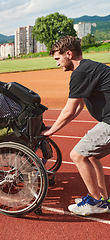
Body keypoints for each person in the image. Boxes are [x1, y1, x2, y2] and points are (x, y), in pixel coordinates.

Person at [42, 35, 110, 216]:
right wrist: (57, 126)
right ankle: (103, 199)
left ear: (69, 54)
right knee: (92, 156)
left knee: (77, 155)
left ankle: (96, 202)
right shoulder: (88, 67)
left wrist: (51, 131)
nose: (57, 63)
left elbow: (69, 110)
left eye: (58, 58)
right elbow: (79, 105)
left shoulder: (80, 73)